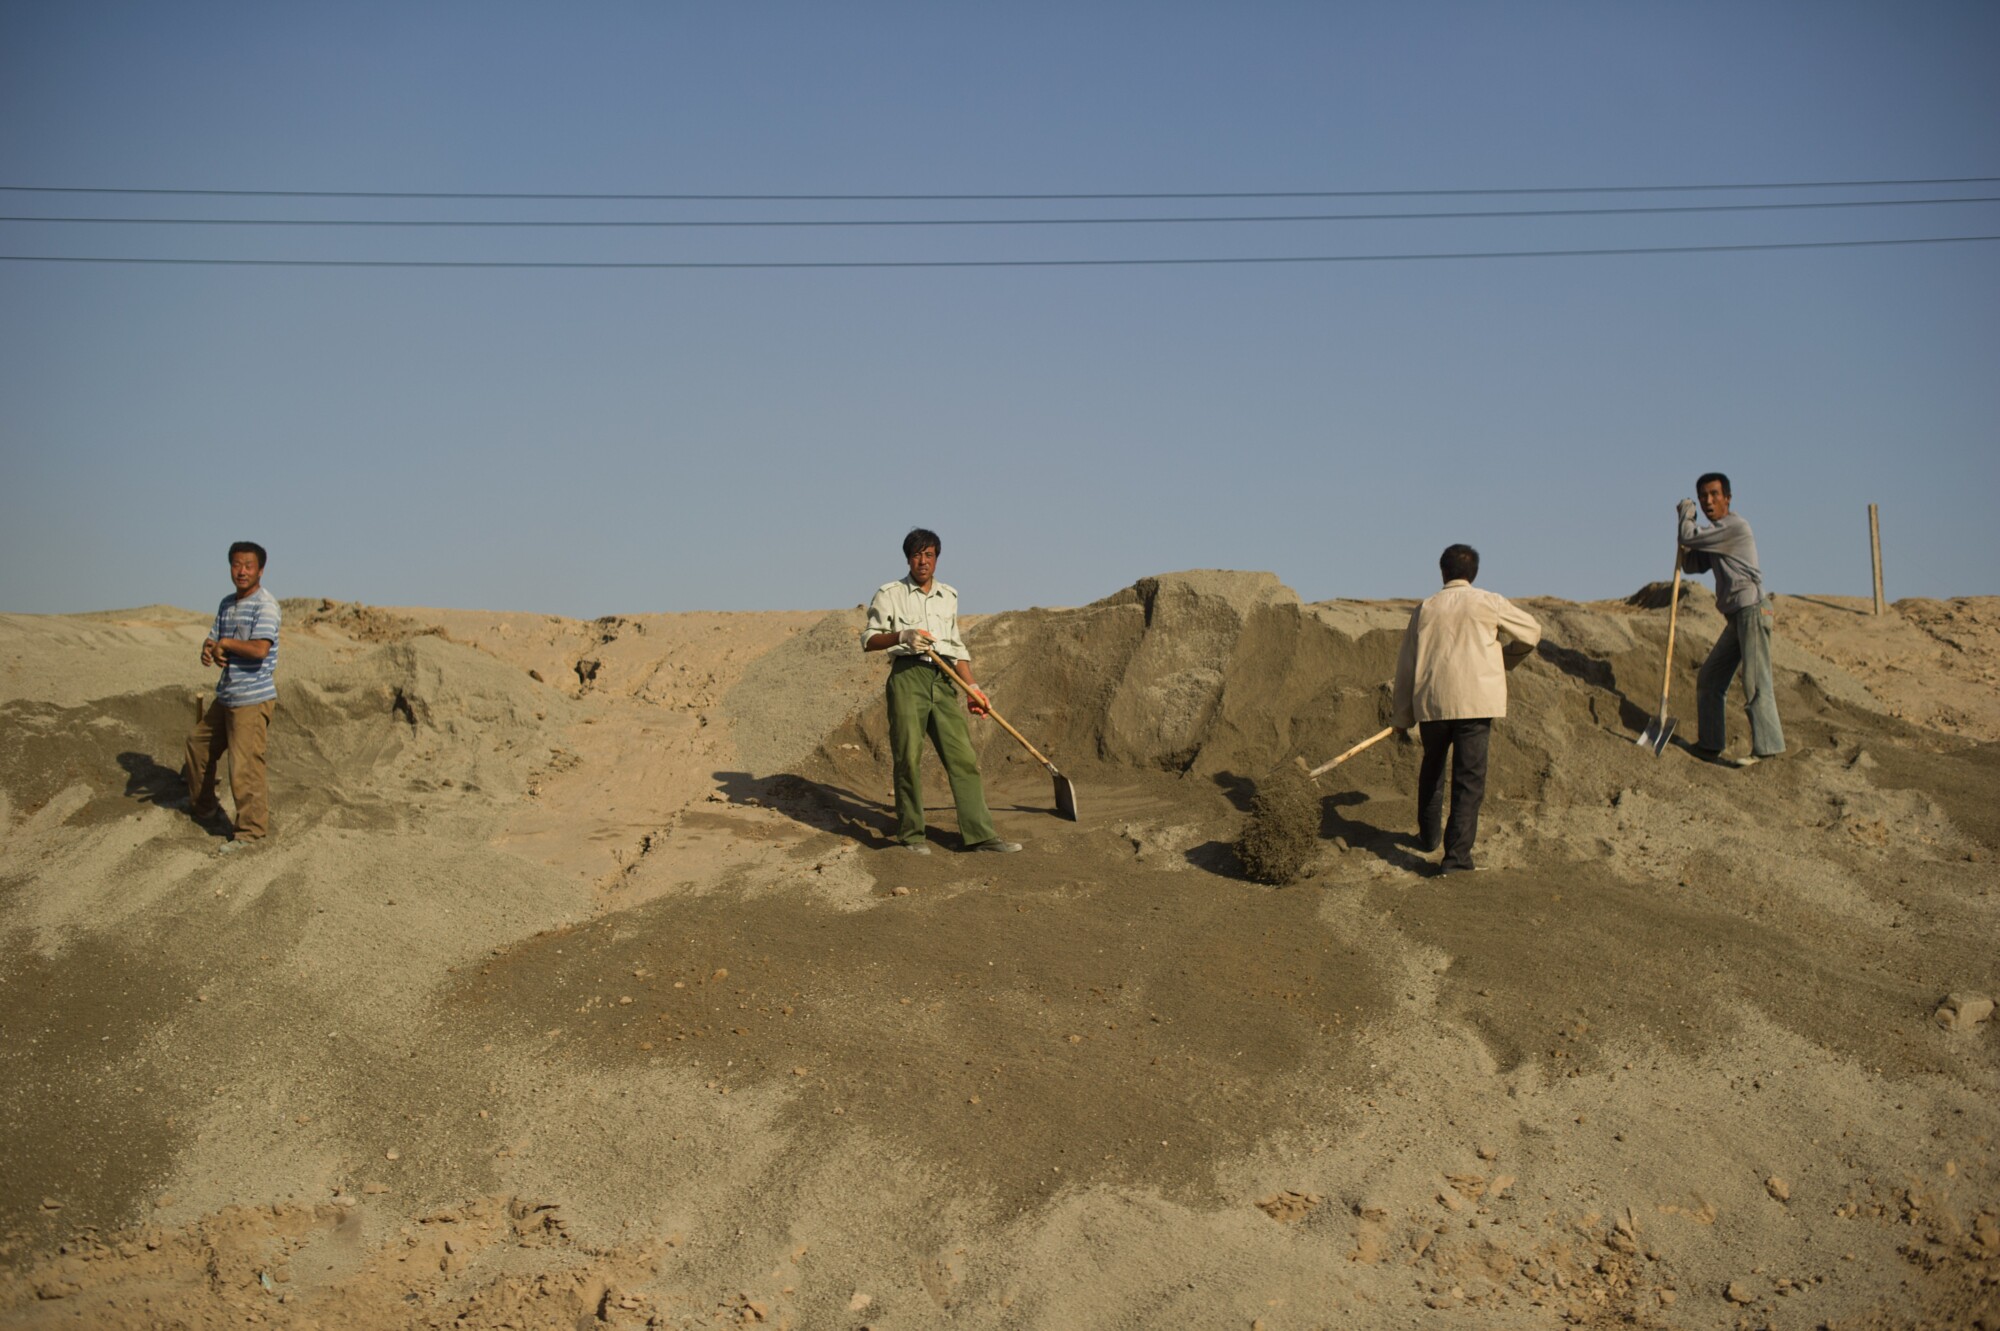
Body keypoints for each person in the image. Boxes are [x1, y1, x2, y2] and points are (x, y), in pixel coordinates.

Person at [861, 528, 1022, 855]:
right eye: (917, 555)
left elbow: (956, 646)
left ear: (937, 558)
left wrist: (972, 687)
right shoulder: (890, 593)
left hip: (944, 678)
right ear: (908, 558)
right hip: (908, 677)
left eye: (930, 555)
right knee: (908, 757)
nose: (923, 561)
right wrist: (901, 636)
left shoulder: (949, 595)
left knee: (962, 756)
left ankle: (980, 835)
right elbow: (868, 639)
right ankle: (911, 835)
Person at [1390, 544, 1541, 875]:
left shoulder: (1425, 608)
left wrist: (1401, 716)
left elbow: (1406, 665)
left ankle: (1428, 837)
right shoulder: (1489, 602)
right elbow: (1531, 632)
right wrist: (1505, 658)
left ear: (1442, 571)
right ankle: (1456, 859)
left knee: (1432, 769)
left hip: (1432, 703)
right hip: (1475, 702)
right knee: (1468, 781)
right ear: (1473, 574)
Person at [1678, 472, 1784, 766]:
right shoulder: (1716, 536)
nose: (1708, 501)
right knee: (1710, 678)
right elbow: (1691, 564)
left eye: (1714, 495)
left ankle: (1768, 751)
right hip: (1736, 617)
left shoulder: (1734, 527)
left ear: (1727, 498)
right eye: (1702, 497)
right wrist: (1683, 538)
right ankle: (1710, 745)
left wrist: (1686, 519)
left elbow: (1689, 535)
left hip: (1751, 610)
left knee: (1755, 682)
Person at [185, 541, 281, 842]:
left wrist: (226, 644)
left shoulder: (266, 605)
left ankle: (251, 833)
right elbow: (214, 638)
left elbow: (259, 649)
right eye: (236, 565)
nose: (242, 571)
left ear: (260, 570)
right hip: (227, 695)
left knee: (245, 767)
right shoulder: (227, 603)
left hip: (252, 700)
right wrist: (209, 650)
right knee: (198, 745)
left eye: (248, 566)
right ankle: (205, 809)